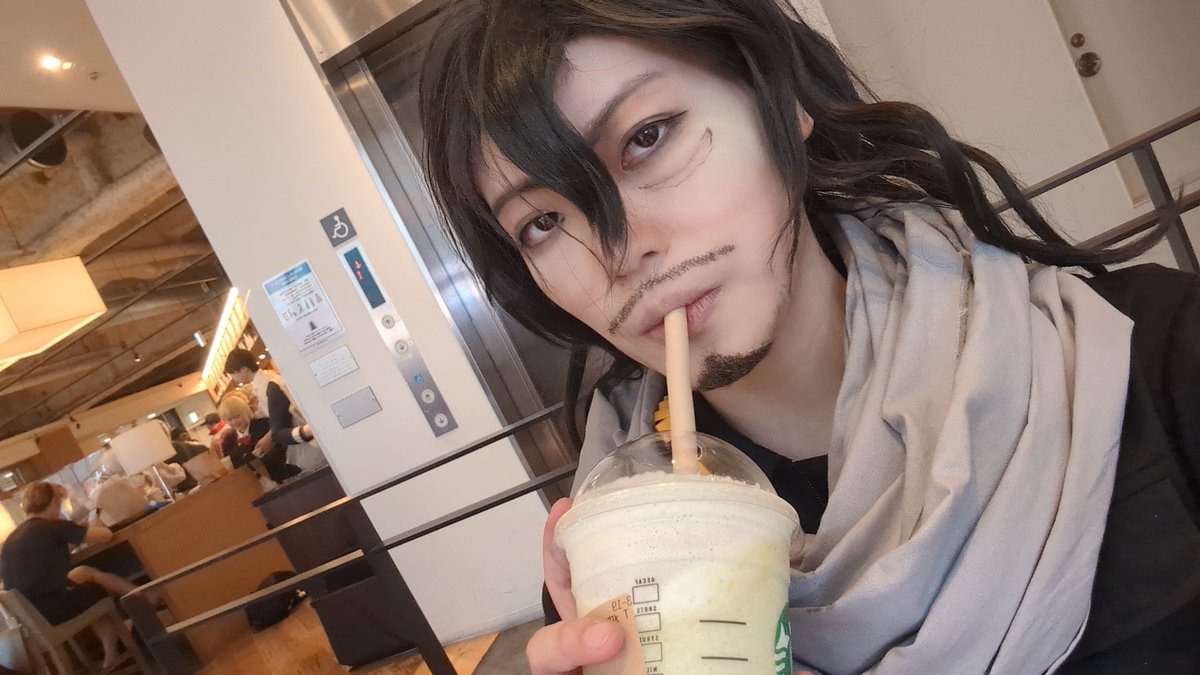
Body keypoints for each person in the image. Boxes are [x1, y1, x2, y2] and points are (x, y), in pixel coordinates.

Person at [417, 2, 1200, 673]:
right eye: (544, 221)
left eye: (648, 136)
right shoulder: (614, 557)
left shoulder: (1156, 358)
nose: (620, 253)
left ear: (780, 100)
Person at [0, 482, 136, 672]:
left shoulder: (11, 540)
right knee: (94, 590)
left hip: (32, 619)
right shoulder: (52, 526)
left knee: (83, 573)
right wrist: (85, 528)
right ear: (54, 502)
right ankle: (139, 597)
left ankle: (111, 654)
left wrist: (75, 533)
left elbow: (52, 555)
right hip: (54, 611)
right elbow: (106, 535)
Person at [223, 349, 315, 456]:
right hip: (298, 433)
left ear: (244, 369)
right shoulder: (263, 381)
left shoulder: (265, 385)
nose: (233, 378)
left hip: (298, 433)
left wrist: (267, 438)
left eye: (233, 373)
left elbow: (278, 416)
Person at [216, 393, 300, 483]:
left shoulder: (265, 424)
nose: (234, 422)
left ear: (245, 412)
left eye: (237, 417)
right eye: (229, 419)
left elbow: (282, 449)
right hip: (255, 484)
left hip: (286, 475)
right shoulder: (228, 440)